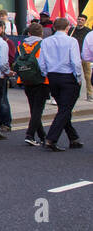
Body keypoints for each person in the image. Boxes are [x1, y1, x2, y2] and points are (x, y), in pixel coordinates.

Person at [38, 16, 83, 151]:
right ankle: (51, 139)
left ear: (54, 27)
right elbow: (76, 62)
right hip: (68, 77)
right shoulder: (71, 41)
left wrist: (46, 73)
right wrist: (79, 78)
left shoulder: (46, 42)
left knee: (63, 108)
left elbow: (41, 62)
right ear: (68, 27)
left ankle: (73, 138)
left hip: (53, 77)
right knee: (65, 109)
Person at [17, 22, 49, 146]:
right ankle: (30, 134)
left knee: (33, 108)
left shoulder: (22, 45)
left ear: (29, 33)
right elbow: (43, 62)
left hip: (26, 79)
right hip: (41, 80)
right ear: (41, 33)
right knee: (38, 110)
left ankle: (42, 136)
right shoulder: (43, 44)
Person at [76, 14, 93, 102]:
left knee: (88, 76)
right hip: (75, 56)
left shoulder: (88, 31)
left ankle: (89, 94)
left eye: (82, 20)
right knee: (75, 76)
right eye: (79, 19)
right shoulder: (72, 30)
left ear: (85, 21)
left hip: (85, 57)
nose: (80, 21)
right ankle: (76, 93)